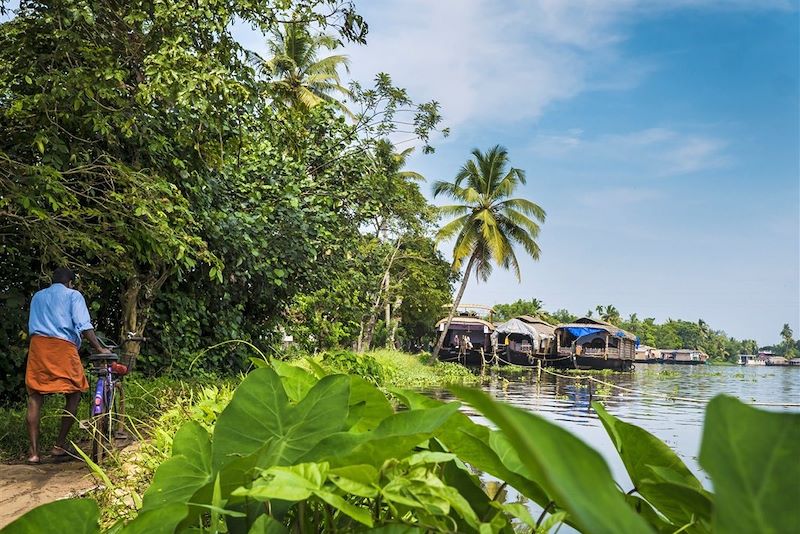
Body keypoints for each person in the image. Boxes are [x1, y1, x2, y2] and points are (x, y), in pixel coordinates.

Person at [25, 267, 110, 464]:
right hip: (63, 347)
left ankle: (34, 453)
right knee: (75, 392)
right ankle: (59, 446)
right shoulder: (73, 295)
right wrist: (98, 348)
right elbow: (84, 325)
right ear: (70, 282)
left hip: (38, 347)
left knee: (35, 395)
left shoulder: (38, 296)